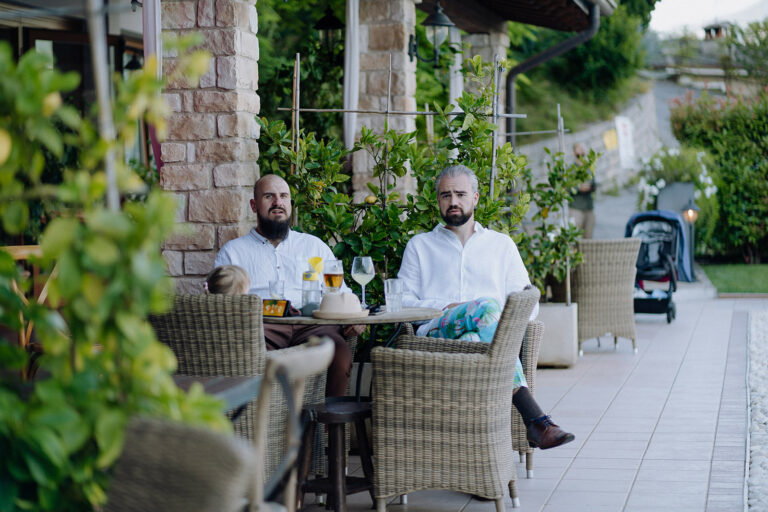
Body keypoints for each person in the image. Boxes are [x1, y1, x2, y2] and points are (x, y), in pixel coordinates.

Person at [397, 164, 574, 450]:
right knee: (485, 306)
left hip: (487, 345)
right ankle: (535, 419)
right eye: (445, 195)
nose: (453, 201)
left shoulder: (501, 246)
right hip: (435, 339)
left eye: (460, 194)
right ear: (438, 201)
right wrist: (451, 307)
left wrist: (488, 319)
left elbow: (528, 307)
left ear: (476, 198)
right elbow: (402, 301)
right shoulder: (420, 246)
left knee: (477, 330)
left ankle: (478, 460)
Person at [214, 174, 360, 397]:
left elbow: (341, 292)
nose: (277, 203)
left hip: (311, 324)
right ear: (254, 205)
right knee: (246, 357)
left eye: (283, 196)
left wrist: (355, 318)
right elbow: (219, 303)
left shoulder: (314, 246)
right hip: (262, 327)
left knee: (340, 355)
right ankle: (264, 423)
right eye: (269, 196)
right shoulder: (233, 252)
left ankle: (326, 430)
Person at [570, 143, 596, 239]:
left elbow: (594, 184)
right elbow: (568, 187)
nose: (581, 150)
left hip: (588, 207)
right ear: (574, 152)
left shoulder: (589, 168)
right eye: (579, 148)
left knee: (588, 236)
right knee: (575, 236)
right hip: (576, 208)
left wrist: (591, 187)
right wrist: (579, 188)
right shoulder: (571, 169)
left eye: (582, 148)